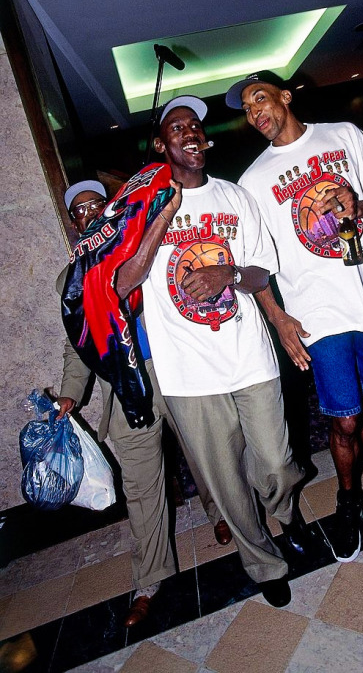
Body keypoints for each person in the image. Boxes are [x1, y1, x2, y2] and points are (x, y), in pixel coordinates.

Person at [128, 96, 307, 607]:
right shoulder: (142, 208)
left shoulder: (234, 197)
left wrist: (225, 273)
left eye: (194, 126)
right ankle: (263, 562)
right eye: (176, 128)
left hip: (248, 354)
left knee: (273, 462)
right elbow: (123, 282)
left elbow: (259, 271)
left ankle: (287, 512)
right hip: (188, 372)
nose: (189, 132)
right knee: (227, 484)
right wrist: (159, 220)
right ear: (162, 145)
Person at [225, 71, 363, 562]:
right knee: (344, 418)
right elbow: (255, 264)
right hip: (317, 312)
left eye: (259, 98)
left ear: (286, 96)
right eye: (245, 108)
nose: (254, 112)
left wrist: (358, 204)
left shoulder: (343, 136)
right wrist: (279, 319)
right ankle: (347, 499)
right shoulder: (254, 181)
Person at [57, 180, 231, 627]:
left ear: (112, 207)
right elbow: (79, 344)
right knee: (141, 486)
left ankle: (223, 513)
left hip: (176, 372)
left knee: (204, 452)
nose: (90, 213)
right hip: (125, 393)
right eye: (80, 210)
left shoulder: (145, 244)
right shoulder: (71, 278)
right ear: (73, 223)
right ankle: (150, 579)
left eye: (97, 204)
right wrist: (69, 394)